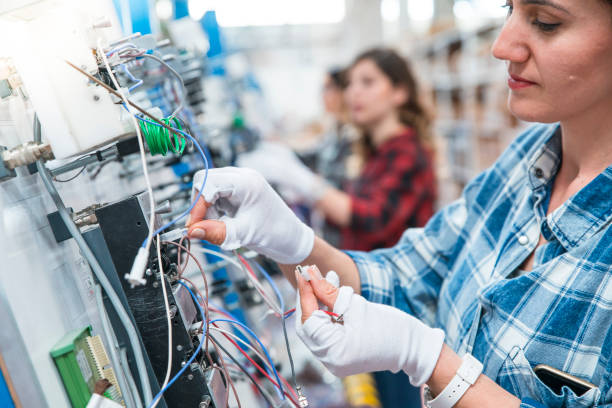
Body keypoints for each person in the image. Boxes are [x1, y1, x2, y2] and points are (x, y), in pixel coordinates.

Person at [186, 0, 612, 406]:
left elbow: (372, 218)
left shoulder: (406, 151)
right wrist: (294, 244)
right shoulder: (524, 160)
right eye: (508, 9)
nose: (502, 46)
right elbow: (411, 275)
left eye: (546, 22)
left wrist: (430, 360)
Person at [237, 48, 436, 252]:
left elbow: (372, 220)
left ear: (399, 92)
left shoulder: (408, 153)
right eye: (350, 84)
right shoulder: (375, 150)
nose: (353, 92)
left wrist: (303, 181)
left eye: (368, 82)